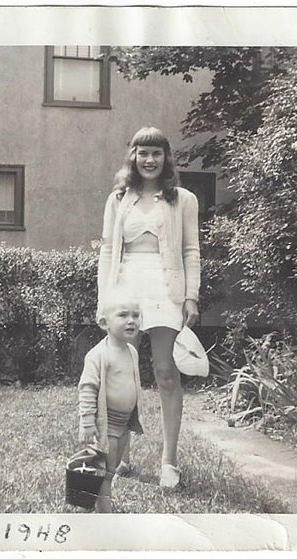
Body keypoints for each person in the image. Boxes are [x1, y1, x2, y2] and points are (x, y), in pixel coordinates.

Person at [97, 126, 200, 488]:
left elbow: (190, 251)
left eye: (157, 153)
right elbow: (108, 251)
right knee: (123, 372)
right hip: (126, 287)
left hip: (166, 288)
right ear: (133, 157)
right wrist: (104, 299)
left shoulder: (182, 199)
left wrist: (191, 296)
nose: (150, 160)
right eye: (143, 153)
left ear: (166, 158)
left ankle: (169, 461)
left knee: (165, 371)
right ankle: (120, 454)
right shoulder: (119, 199)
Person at [78, 290, 144, 513]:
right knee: (105, 471)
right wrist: (87, 422)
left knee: (111, 468)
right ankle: (104, 511)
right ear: (104, 322)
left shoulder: (132, 352)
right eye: (123, 315)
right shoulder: (98, 355)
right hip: (106, 426)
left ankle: (95, 498)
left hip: (124, 424)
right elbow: (87, 388)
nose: (131, 321)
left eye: (136, 315)